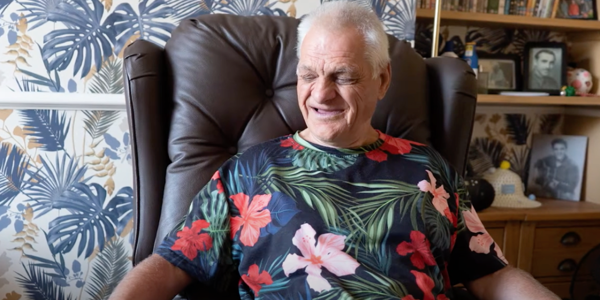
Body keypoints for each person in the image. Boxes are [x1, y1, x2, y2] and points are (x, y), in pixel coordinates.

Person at [110, 2, 560, 299]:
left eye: (342, 76)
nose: (319, 94)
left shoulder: (426, 169)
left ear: (382, 80)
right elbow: (171, 263)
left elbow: (491, 273)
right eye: (308, 75)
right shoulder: (248, 172)